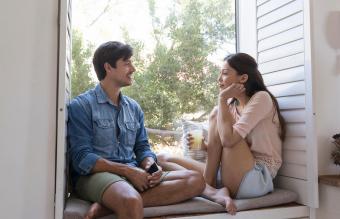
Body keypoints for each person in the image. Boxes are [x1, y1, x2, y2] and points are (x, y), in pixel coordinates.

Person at [67, 41, 205, 219]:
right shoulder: (82, 105)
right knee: (130, 200)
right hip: (95, 176)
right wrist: (128, 171)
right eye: (127, 63)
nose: (133, 69)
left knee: (196, 180)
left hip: (132, 173)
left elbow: (142, 148)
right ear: (108, 67)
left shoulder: (133, 108)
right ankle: (120, 199)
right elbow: (81, 158)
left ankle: (107, 206)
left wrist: (150, 166)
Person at [157, 53, 286, 215]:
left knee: (217, 112)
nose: (219, 79)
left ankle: (207, 184)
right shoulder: (232, 106)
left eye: (225, 73)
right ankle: (209, 185)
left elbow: (229, 141)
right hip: (228, 173)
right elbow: (224, 146)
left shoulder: (261, 98)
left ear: (243, 78)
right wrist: (205, 146)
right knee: (162, 158)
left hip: (256, 177)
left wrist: (222, 98)